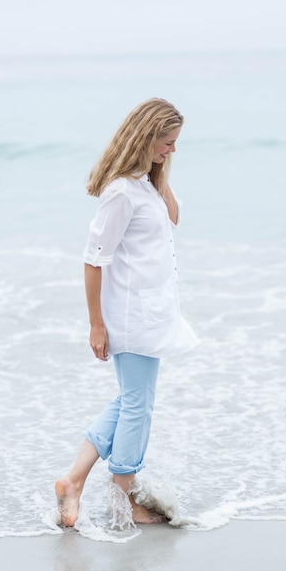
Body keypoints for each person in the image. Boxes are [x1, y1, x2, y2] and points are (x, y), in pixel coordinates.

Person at [55, 97, 198, 527]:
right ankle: (124, 499)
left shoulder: (145, 185)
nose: (172, 150)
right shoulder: (120, 192)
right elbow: (93, 259)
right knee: (139, 405)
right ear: (146, 137)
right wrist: (96, 325)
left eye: (174, 143)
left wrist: (159, 173)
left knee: (131, 400)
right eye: (166, 142)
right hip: (131, 315)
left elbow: (174, 215)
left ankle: (74, 481)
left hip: (153, 312)